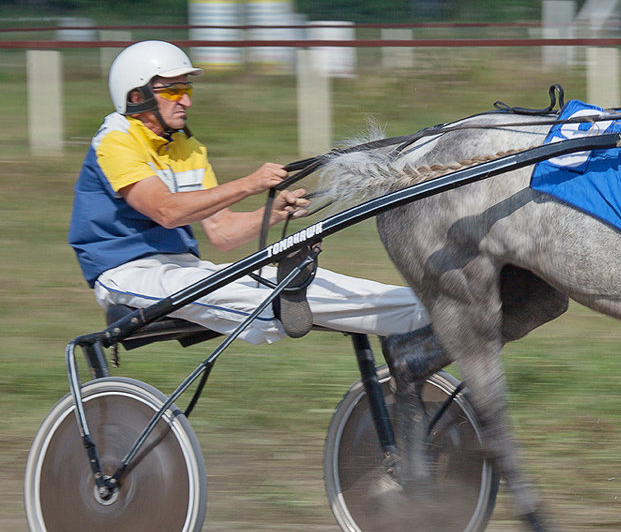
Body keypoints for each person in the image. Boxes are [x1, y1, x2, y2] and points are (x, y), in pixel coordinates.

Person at [68, 40, 427, 345]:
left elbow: (222, 233)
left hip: (183, 269)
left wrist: (272, 215)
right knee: (266, 293)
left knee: (299, 283)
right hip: (127, 274)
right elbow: (166, 212)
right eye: (174, 90)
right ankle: (407, 318)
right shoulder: (116, 142)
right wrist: (249, 184)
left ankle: (424, 311)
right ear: (137, 96)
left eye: (187, 90)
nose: (186, 101)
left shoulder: (186, 147)